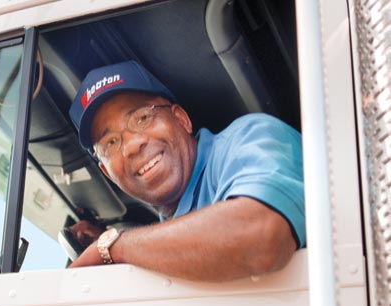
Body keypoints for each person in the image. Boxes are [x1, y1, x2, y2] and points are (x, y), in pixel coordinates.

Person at [67, 60, 304, 282]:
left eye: (142, 118)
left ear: (181, 119)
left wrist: (114, 246)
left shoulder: (250, 137)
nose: (131, 146)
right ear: (108, 174)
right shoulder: (159, 245)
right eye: (110, 143)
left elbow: (260, 238)